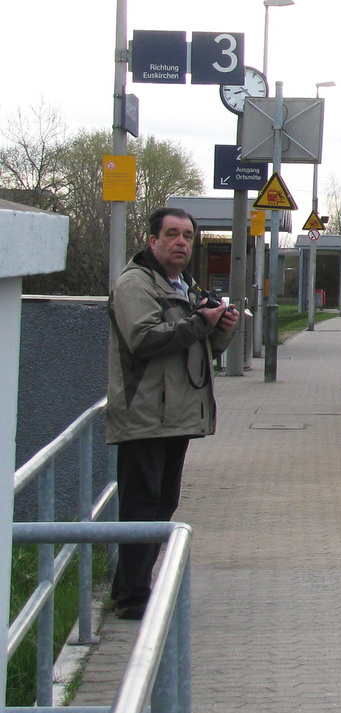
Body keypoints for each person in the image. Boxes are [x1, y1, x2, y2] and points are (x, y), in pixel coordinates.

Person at [107, 207, 238, 619]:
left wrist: (221, 328)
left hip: (174, 415)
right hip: (144, 416)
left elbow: (198, 351)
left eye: (187, 235)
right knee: (141, 504)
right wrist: (201, 322)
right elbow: (144, 340)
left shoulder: (182, 285)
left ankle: (130, 582)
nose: (181, 242)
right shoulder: (135, 285)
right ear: (153, 241)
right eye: (172, 235)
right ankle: (131, 599)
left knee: (163, 502)